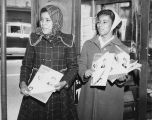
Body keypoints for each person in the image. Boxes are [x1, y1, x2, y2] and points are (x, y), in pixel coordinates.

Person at [17, 5, 79, 120]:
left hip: (59, 92)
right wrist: (23, 83)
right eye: (41, 19)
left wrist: (65, 82)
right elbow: (26, 65)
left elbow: (73, 67)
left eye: (47, 20)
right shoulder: (34, 39)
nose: (43, 23)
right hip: (36, 90)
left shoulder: (68, 40)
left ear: (56, 21)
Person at [77, 9, 130, 120]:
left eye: (105, 22)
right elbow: (81, 64)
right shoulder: (88, 44)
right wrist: (84, 72)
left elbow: (124, 77)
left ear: (114, 24)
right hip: (89, 97)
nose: (100, 25)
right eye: (98, 22)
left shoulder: (122, 49)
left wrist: (121, 78)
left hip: (110, 99)